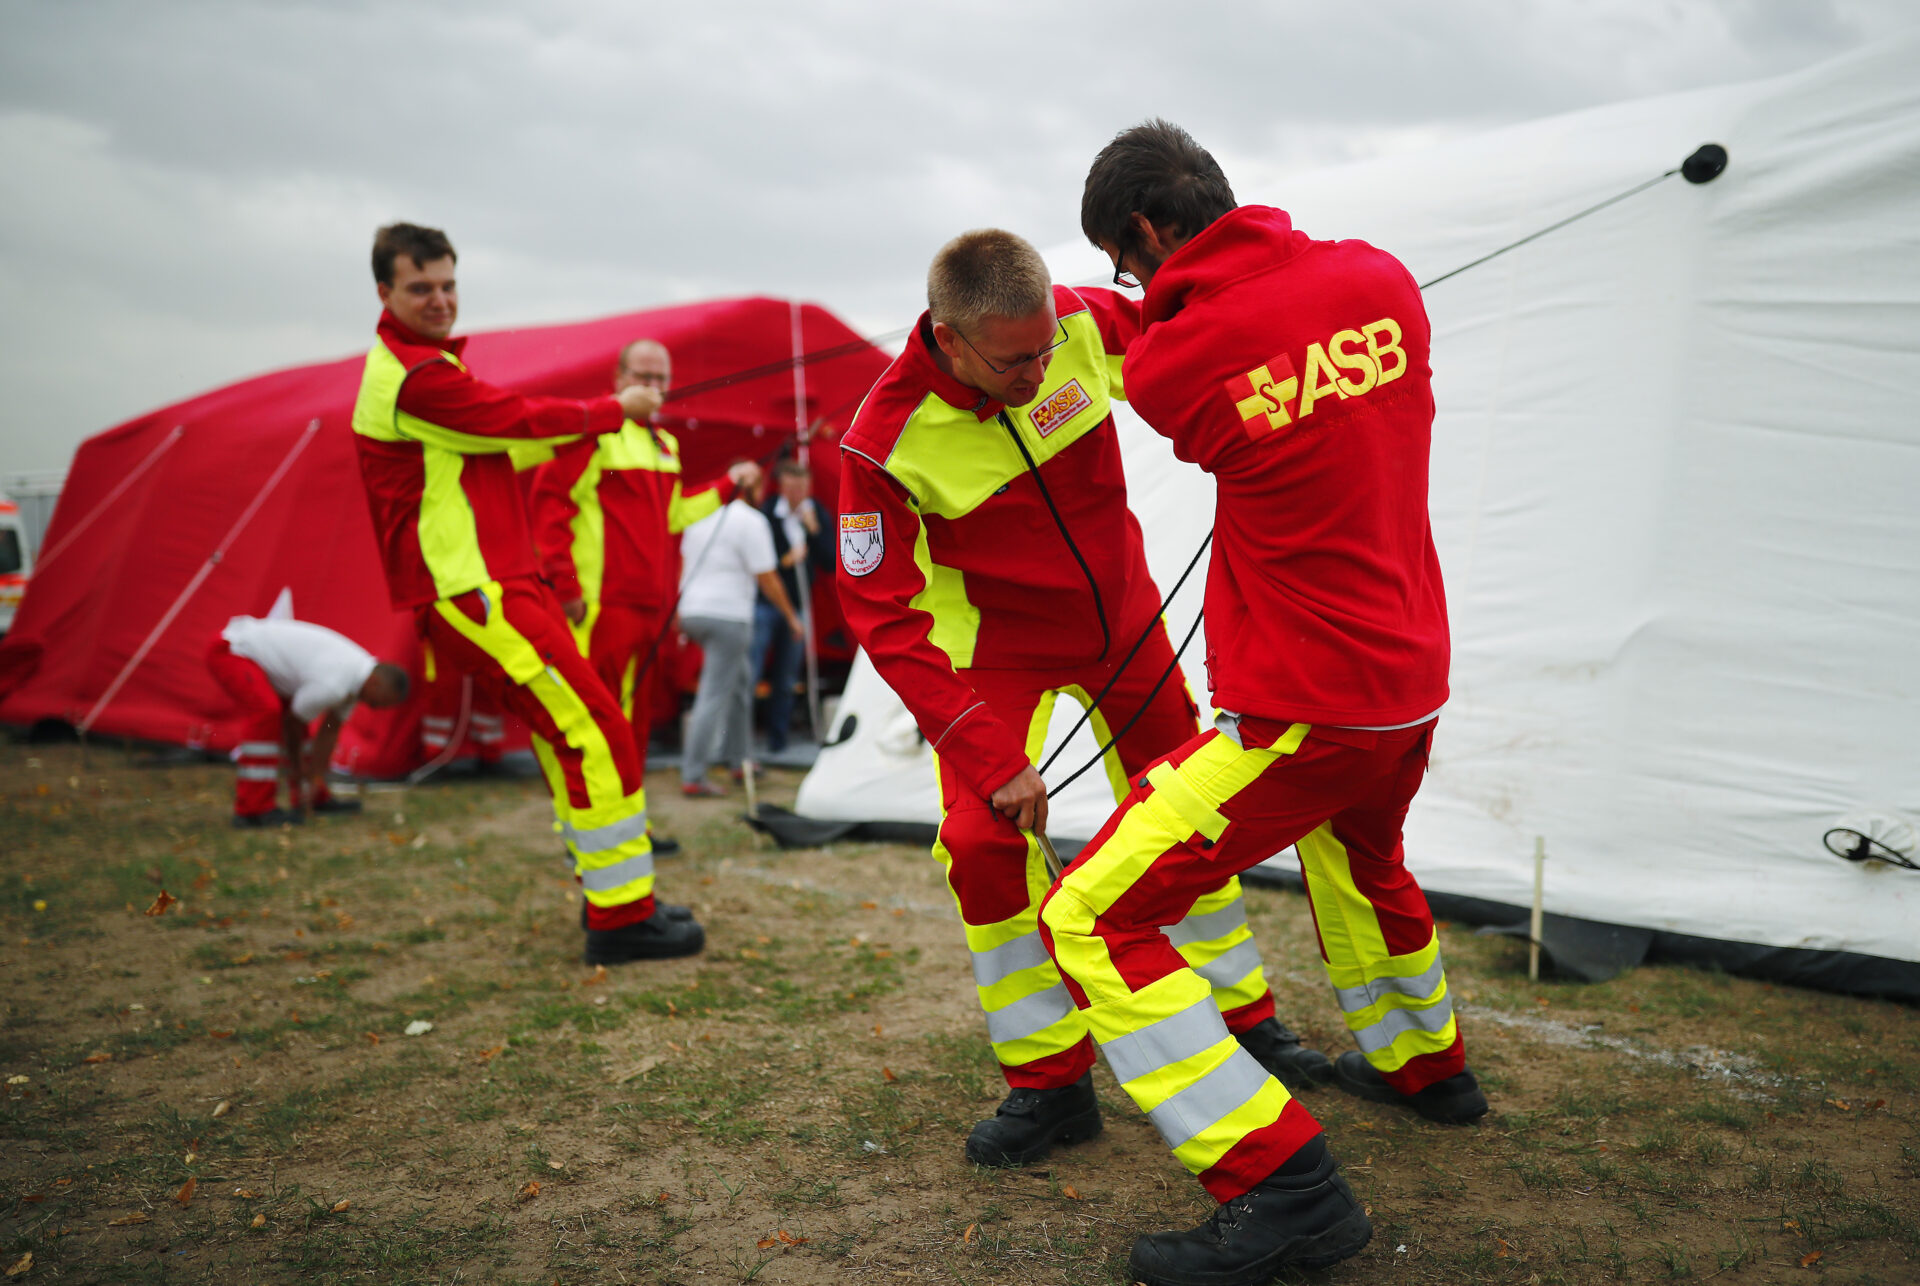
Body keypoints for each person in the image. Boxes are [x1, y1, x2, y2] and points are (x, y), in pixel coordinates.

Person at [1038, 120, 1487, 1285]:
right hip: (1412, 679)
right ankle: (1423, 1063)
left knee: (1092, 915)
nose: (1135, 289)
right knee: (1366, 855)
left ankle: (1278, 1181)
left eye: (1129, 266)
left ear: (1146, 232)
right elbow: (1284, 330)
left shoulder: (1169, 364)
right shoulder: (1380, 274)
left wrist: (1128, 305)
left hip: (1303, 703)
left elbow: (1181, 366)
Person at [835, 228, 1331, 1173]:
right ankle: (1048, 1084)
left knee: (1186, 818)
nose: (1038, 367)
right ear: (948, 336)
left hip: (1127, 629)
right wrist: (988, 756)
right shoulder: (878, 442)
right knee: (981, 846)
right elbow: (883, 614)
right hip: (995, 659)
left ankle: (1245, 1023)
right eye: (1014, 359)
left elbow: (1186, 332)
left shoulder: (1073, 322)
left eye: (1044, 348)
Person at [350, 221, 702, 964]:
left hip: (510, 588)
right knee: (597, 731)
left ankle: (618, 896)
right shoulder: (415, 378)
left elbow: (514, 437)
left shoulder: (428, 369)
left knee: (579, 734)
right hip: (480, 593)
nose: (441, 300)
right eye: (422, 287)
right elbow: (516, 428)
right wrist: (610, 415)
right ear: (384, 292)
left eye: (448, 284)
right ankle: (619, 917)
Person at [530, 339, 759, 850]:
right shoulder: (594, 431)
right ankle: (593, 829)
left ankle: (629, 828)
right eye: (643, 377)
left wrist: (728, 486)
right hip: (600, 607)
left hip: (652, 610)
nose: (653, 388)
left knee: (630, 725)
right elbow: (550, 506)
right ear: (618, 377)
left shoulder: (663, 446)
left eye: (661, 379)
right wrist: (566, 587)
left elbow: (675, 514)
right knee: (596, 723)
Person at [206, 615, 408, 826]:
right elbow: (292, 723)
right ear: (375, 684)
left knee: (294, 724)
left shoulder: (357, 677)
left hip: (250, 653)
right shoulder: (335, 685)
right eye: (381, 702)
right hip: (232, 650)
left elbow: (330, 729)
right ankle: (252, 810)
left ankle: (312, 796)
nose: (376, 708)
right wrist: (298, 767)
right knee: (266, 712)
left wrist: (315, 777)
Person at [676, 471, 803, 795]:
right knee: (715, 692)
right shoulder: (750, 520)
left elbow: (683, 562)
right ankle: (693, 774)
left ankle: (740, 759)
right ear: (749, 488)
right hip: (729, 615)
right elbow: (767, 577)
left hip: (694, 610)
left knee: (740, 681)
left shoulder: (699, 514)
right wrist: (791, 617)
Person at [751, 459, 831, 754]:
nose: (798, 492)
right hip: (766, 604)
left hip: (798, 605)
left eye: (803, 486)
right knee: (755, 669)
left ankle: (777, 741)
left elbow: (831, 561)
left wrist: (814, 530)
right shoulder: (768, 513)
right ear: (782, 486)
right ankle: (743, 741)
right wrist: (787, 559)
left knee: (786, 677)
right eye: (792, 486)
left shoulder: (815, 512)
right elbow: (761, 563)